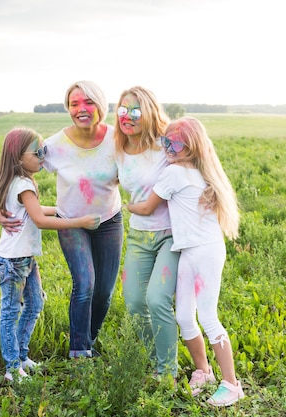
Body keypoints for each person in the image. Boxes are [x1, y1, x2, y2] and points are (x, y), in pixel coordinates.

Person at [0, 81, 123, 359]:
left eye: (87, 102)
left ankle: (89, 340)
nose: (81, 109)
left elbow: (139, 171)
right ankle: (78, 352)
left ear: (100, 104)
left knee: (104, 292)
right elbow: (14, 168)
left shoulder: (117, 139)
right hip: (71, 222)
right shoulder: (53, 146)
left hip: (108, 220)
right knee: (85, 284)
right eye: (74, 104)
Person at [125, 116, 245, 406]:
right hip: (189, 251)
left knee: (208, 317)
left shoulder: (175, 174)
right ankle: (204, 371)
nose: (168, 147)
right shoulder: (195, 171)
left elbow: (146, 207)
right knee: (183, 316)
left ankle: (231, 384)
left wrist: (124, 205)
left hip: (203, 252)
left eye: (176, 143)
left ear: (192, 147)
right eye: (165, 140)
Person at [0, 127, 101, 381]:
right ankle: (12, 368)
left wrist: (66, 210)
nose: (43, 156)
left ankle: (21, 357)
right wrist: (80, 222)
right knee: (11, 312)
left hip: (24, 258)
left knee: (35, 305)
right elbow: (40, 219)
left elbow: (34, 209)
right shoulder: (22, 184)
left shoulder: (15, 180)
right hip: (14, 261)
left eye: (44, 150)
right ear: (19, 157)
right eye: (37, 152)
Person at [114, 86, 180, 378]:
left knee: (156, 299)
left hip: (170, 235)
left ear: (150, 113)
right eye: (122, 110)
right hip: (139, 237)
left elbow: (197, 170)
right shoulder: (118, 149)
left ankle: (167, 373)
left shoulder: (166, 146)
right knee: (135, 303)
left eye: (135, 110)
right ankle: (156, 361)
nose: (127, 116)